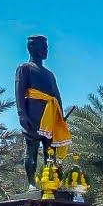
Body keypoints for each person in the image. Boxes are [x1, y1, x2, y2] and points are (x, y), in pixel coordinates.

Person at [15, 35, 71, 189]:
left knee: (50, 152)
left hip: (50, 116)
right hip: (32, 115)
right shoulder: (24, 68)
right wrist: (21, 114)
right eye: (43, 47)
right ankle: (31, 183)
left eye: (47, 48)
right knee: (31, 150)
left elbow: (56, 96)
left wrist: (60, 118)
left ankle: (51, 182)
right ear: (32, 48)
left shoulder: (49, 74)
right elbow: (19, 92)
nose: (46, 50)